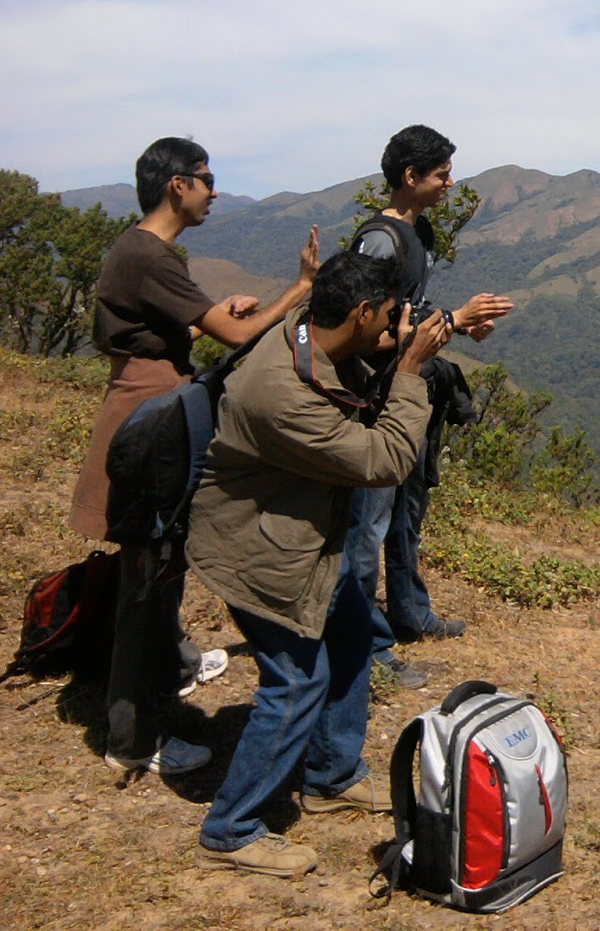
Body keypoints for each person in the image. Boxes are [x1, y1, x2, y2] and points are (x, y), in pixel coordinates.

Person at [188, 251, 451, 878]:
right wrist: (410, 369)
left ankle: (330, 776)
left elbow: (353, 373)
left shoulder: (311, 332)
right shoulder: (279, 392)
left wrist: (404, 342)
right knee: (296, 682)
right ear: (360, 312)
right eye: (387, 315)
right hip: (260, 554)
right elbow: (384, 460)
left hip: (301, 541)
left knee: (354, 633)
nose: (392, 325)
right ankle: (230, 830)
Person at [71, 137, 319, 774]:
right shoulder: (149, 254)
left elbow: (151, 330)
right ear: (177, 185)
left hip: (148, 407)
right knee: (146, 576)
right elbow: (236, 336)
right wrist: (299, 288)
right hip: (151, 420)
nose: (213, 190)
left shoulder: (143, 251)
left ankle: (171, 668)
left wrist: (201, 320)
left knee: (160, 562)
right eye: (206, 179)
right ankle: (131, 738)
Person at [345, 124, 512, 685]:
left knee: (407, 511)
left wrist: (457, 328)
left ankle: (410, 612)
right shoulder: (380, 242)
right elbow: (361, 333)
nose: (449, 183)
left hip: (410, 389)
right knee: (368, 525)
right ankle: (367, 646)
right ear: (410, 175)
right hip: (376, 399)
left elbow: (406, 315)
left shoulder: (419, 234)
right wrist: (453, 320)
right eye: (441, 174)